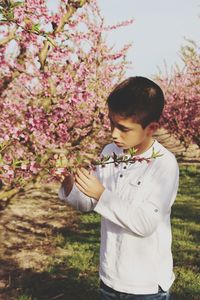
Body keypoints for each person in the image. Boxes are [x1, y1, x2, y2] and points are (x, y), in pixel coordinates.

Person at [58, 76, 179, 300]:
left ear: (151, 128)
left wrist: (101, 194)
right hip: (110, 277)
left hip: (146, 286)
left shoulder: (164, 164)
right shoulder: (109, 153)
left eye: (123, 128)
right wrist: (70, 182)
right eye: (111, 123)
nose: (114, 134)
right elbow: (88, 204)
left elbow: (145, 224)